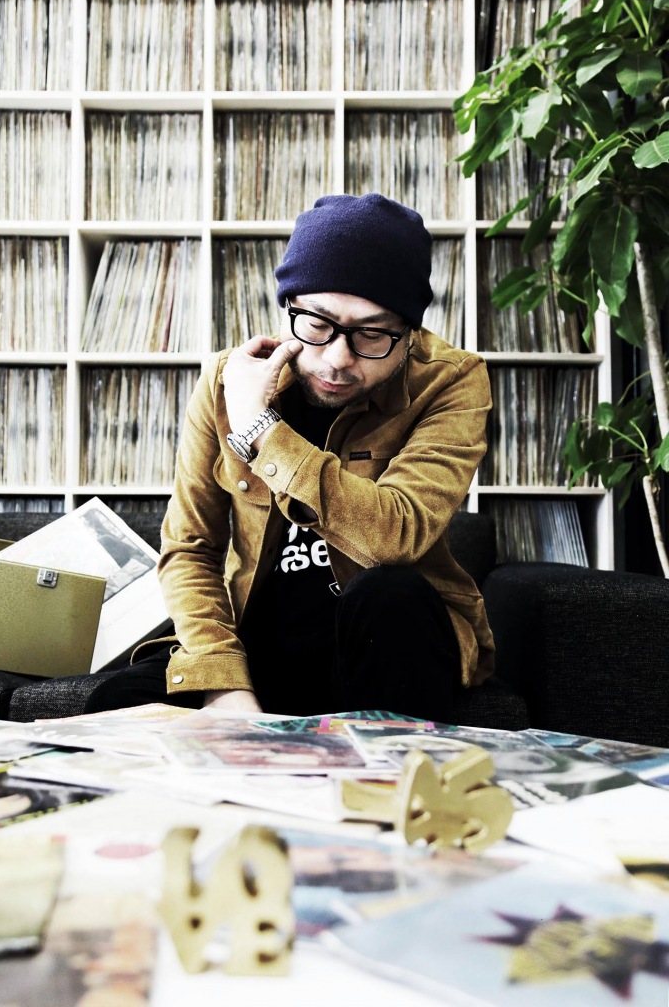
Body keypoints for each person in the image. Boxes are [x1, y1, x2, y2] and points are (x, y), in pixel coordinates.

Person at [86, 192, 495, 720]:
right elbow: (190, 549)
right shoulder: (227, 379)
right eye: (317, 323)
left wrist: (261, 428)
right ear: (288, 307)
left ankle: (388, 774)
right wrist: (225, 685)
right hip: (262, 637)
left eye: (372, 334)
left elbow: (397, 537)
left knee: (390, 595)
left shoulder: (453, 381)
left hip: (383, 639)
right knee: (114, 705)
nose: (338, 359)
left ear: (408, 333)